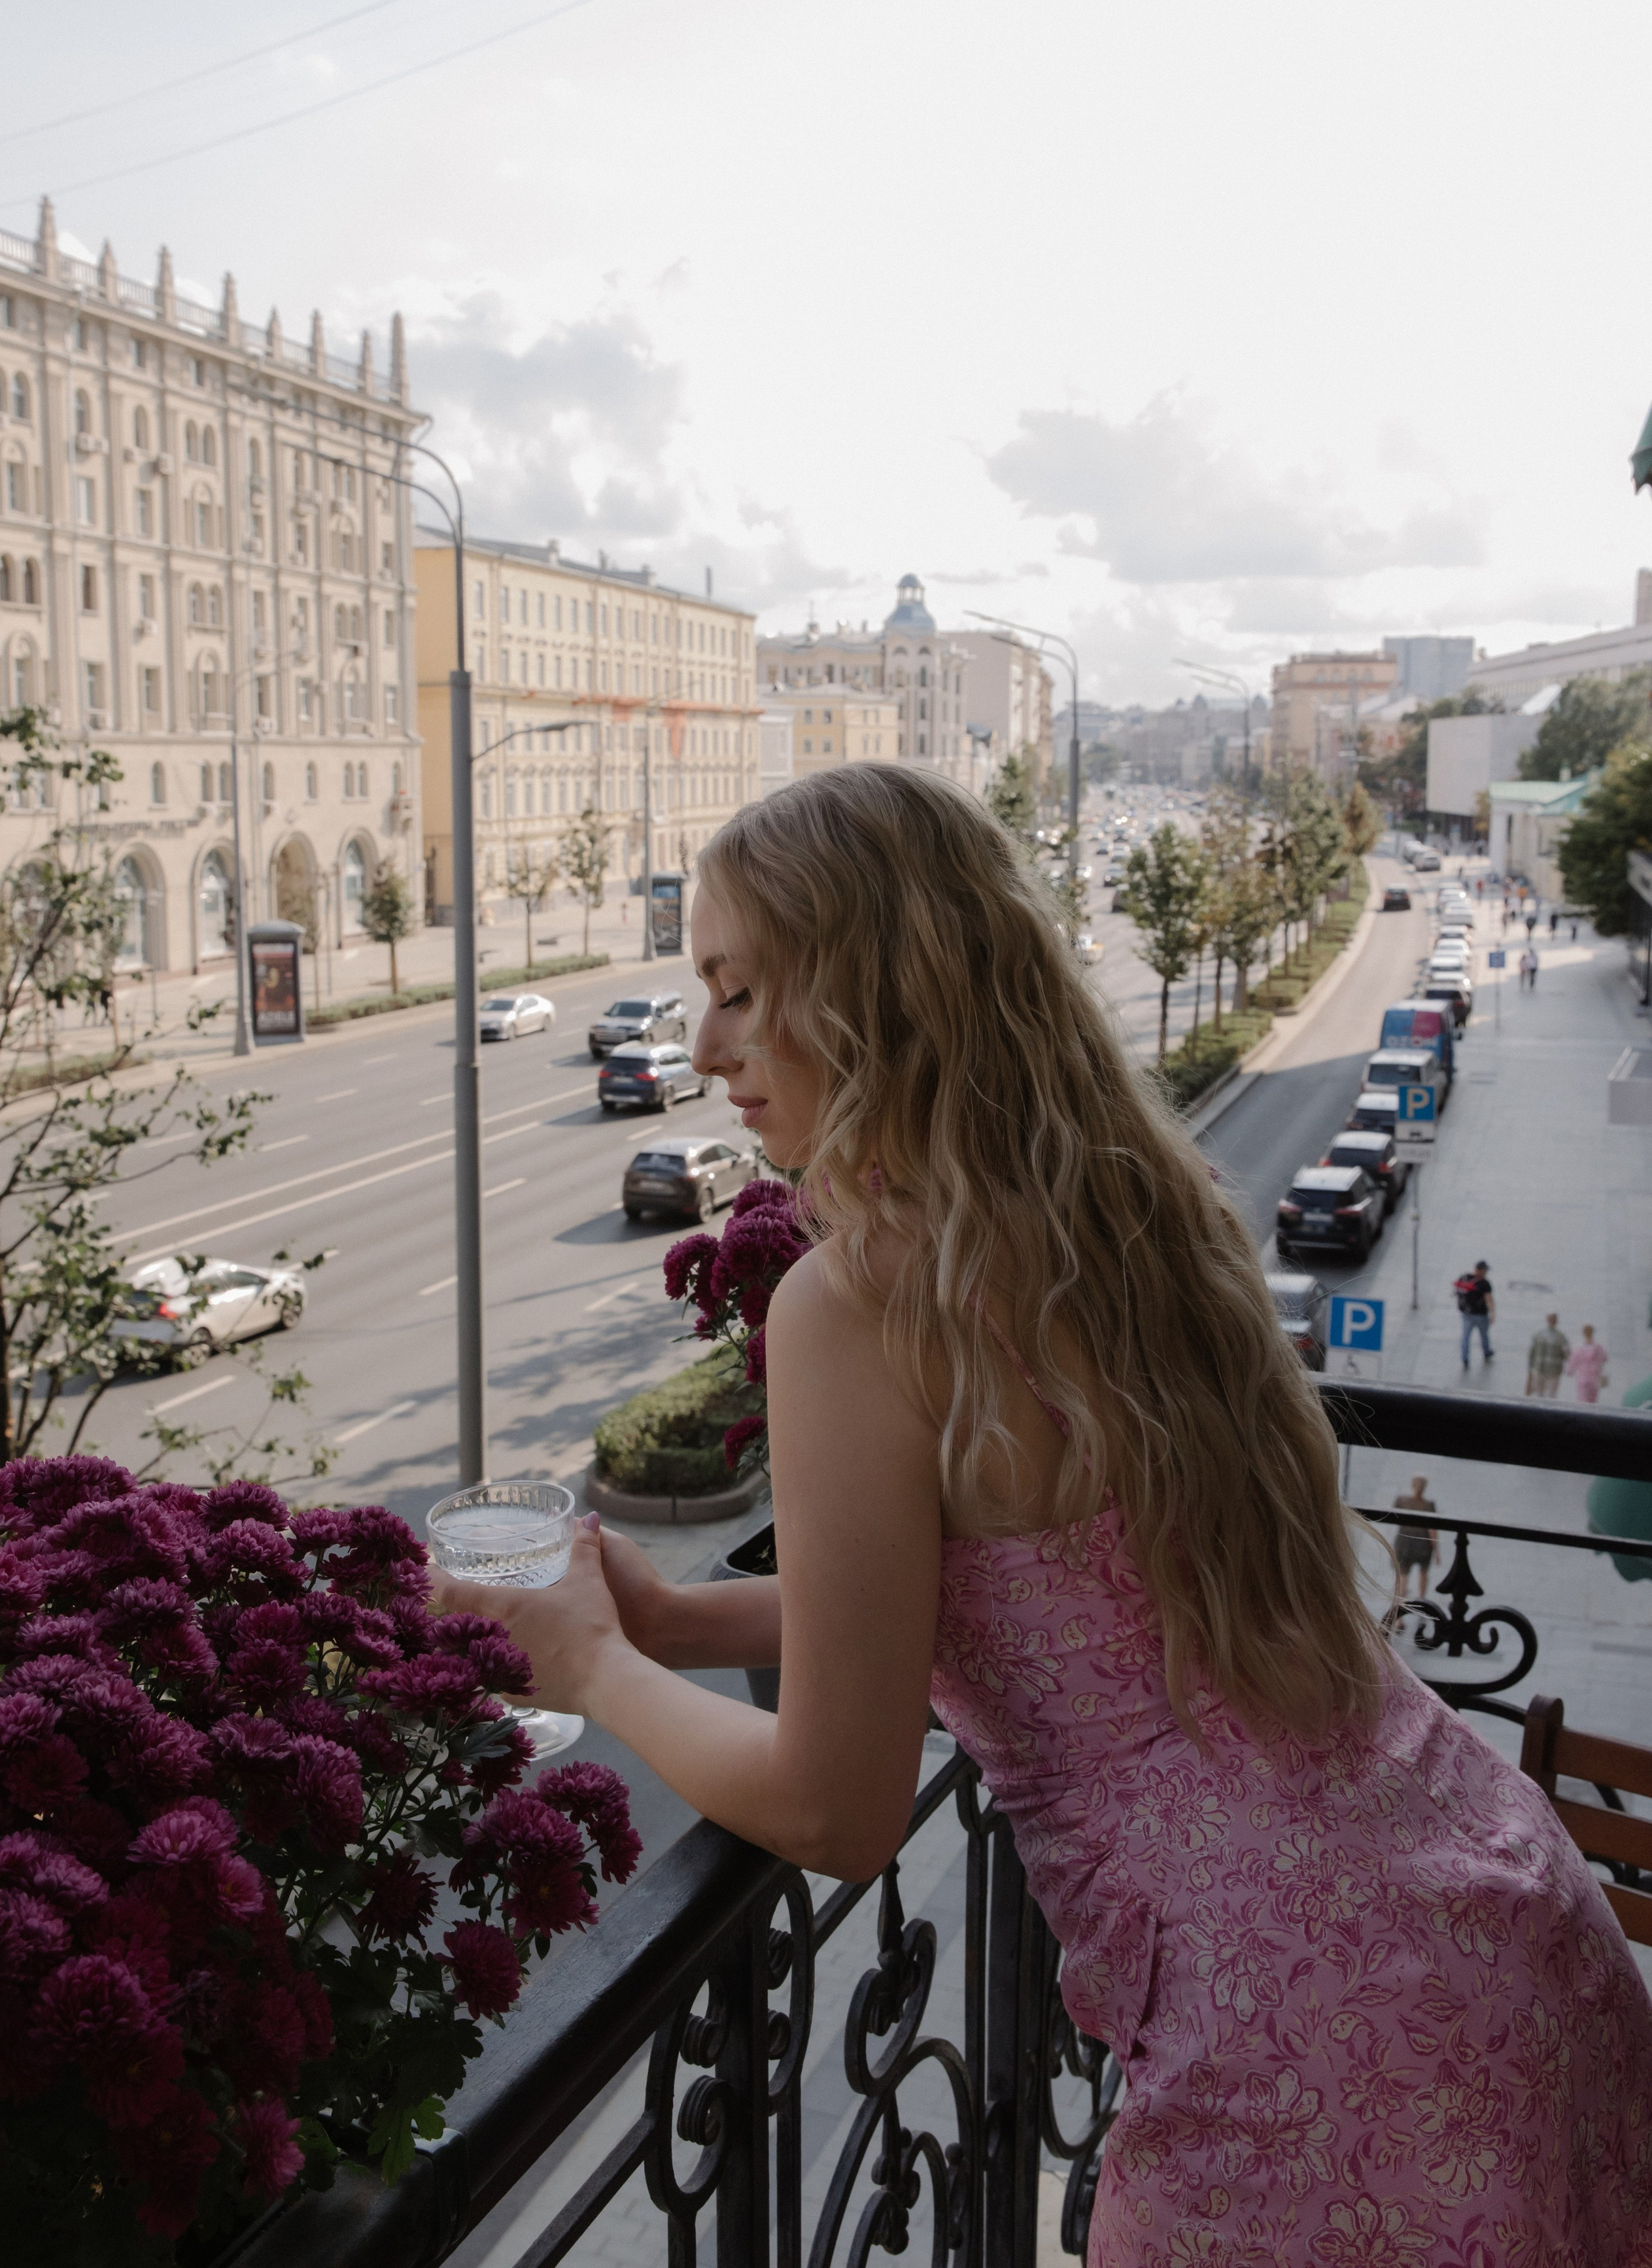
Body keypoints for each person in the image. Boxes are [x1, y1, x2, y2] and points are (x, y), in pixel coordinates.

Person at [438, 765, 1652, 2260]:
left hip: (1305, 2077)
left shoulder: (859, 1305)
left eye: (743, 990)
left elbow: (835, 1803)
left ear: (881, 987)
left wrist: (591, 1671)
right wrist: (685, 1618)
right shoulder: (1138, 1204)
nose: (702, 1047)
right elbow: (1062, 1603)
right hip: (1497, 1930)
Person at [1392, 1472, 1439, 1600]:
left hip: (1404, 1543)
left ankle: (1400, 1605)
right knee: (1423, 1573)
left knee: (1403, 1575)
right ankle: (1422, 1601)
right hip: (1423, 1545)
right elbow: (1432, 1530)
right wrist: (1437, 1552)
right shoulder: (1429, 1505)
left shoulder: (1401, 1501)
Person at [1456, 1258, 1495, 1366]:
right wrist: (1492, 1314)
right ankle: (1487, 1352)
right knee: (1484, 1335)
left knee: (1465, 1337)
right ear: (1482, 1270)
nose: (1487, 1272)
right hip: (1481, 1315)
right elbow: (1489, 1299)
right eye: (1486, 1270)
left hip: (1467, 1314)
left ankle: (1465, 1358)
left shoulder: (1465, 1278)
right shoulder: (1485, 1284)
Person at [1526, 1311, 1570, 1398]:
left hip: (1550, 1370)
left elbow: (1567, 1354)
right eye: (1551, 1319)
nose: (1552, 1321)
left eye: (1553, 1319)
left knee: (1548, 1395)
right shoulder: (1541, 1335)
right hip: (1543, 1369)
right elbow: (1532, 1352)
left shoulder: (1559, 1337)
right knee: (1543, 1394)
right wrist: (1530, 1368)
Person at [1566, 1322, 1610, 1403]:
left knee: (1582, 1401)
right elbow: (1605, 1359)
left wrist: (1570, 1372)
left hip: (1582, 1378)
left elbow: (1572, 1362)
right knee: (1592, 1402)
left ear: (1583, 1333)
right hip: (1595, 1378)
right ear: (1593, 1332)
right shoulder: (1598, 1348)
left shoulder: (1578, 1349)